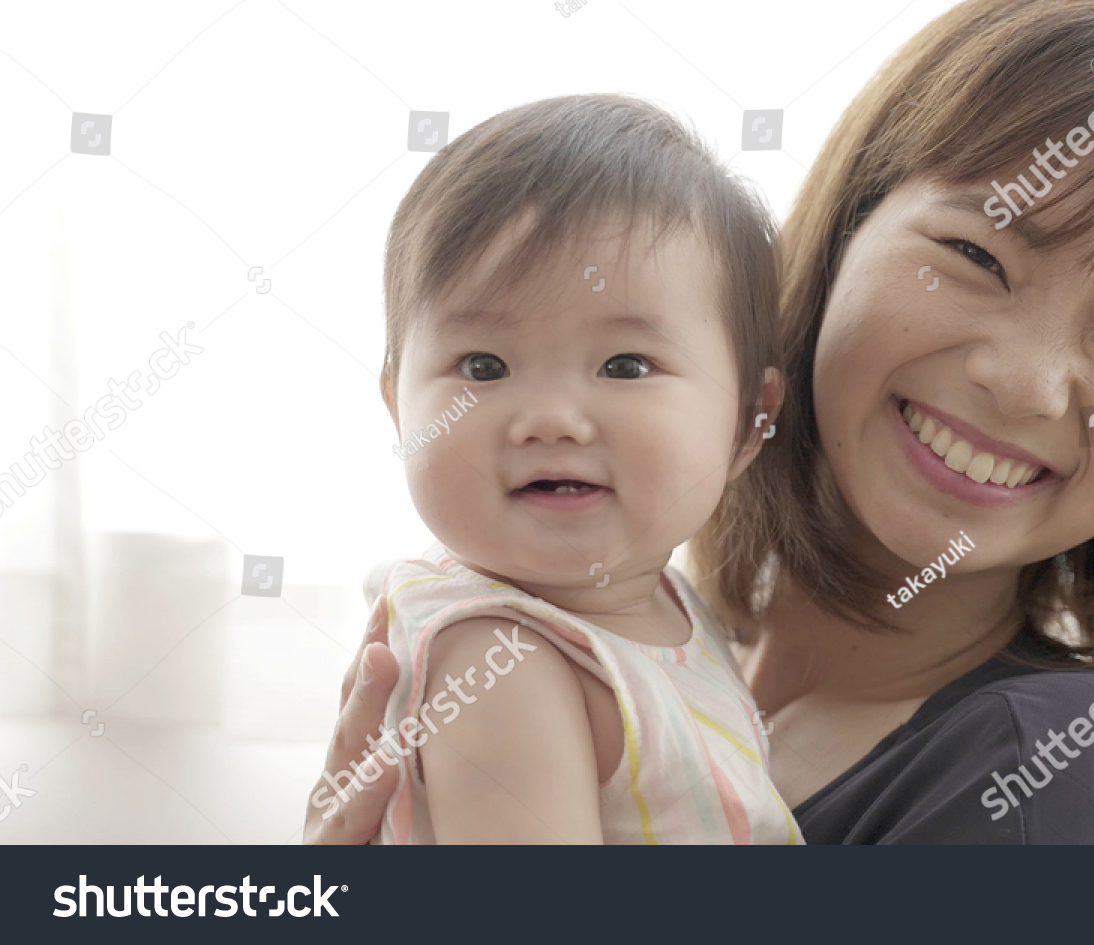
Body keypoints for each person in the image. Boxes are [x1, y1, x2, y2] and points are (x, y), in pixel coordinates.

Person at [306, 0, 1094, 845]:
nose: (1025, 384)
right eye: (976, 256)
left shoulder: (1051, 774)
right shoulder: (647, 636)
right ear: (839, 239)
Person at [319, 93, 800, 844]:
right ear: (398, 407)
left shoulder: (666, 603)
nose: (549, 417)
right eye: (483, 365)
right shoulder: (502, 662)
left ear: (748, 421)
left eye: (625, 364)